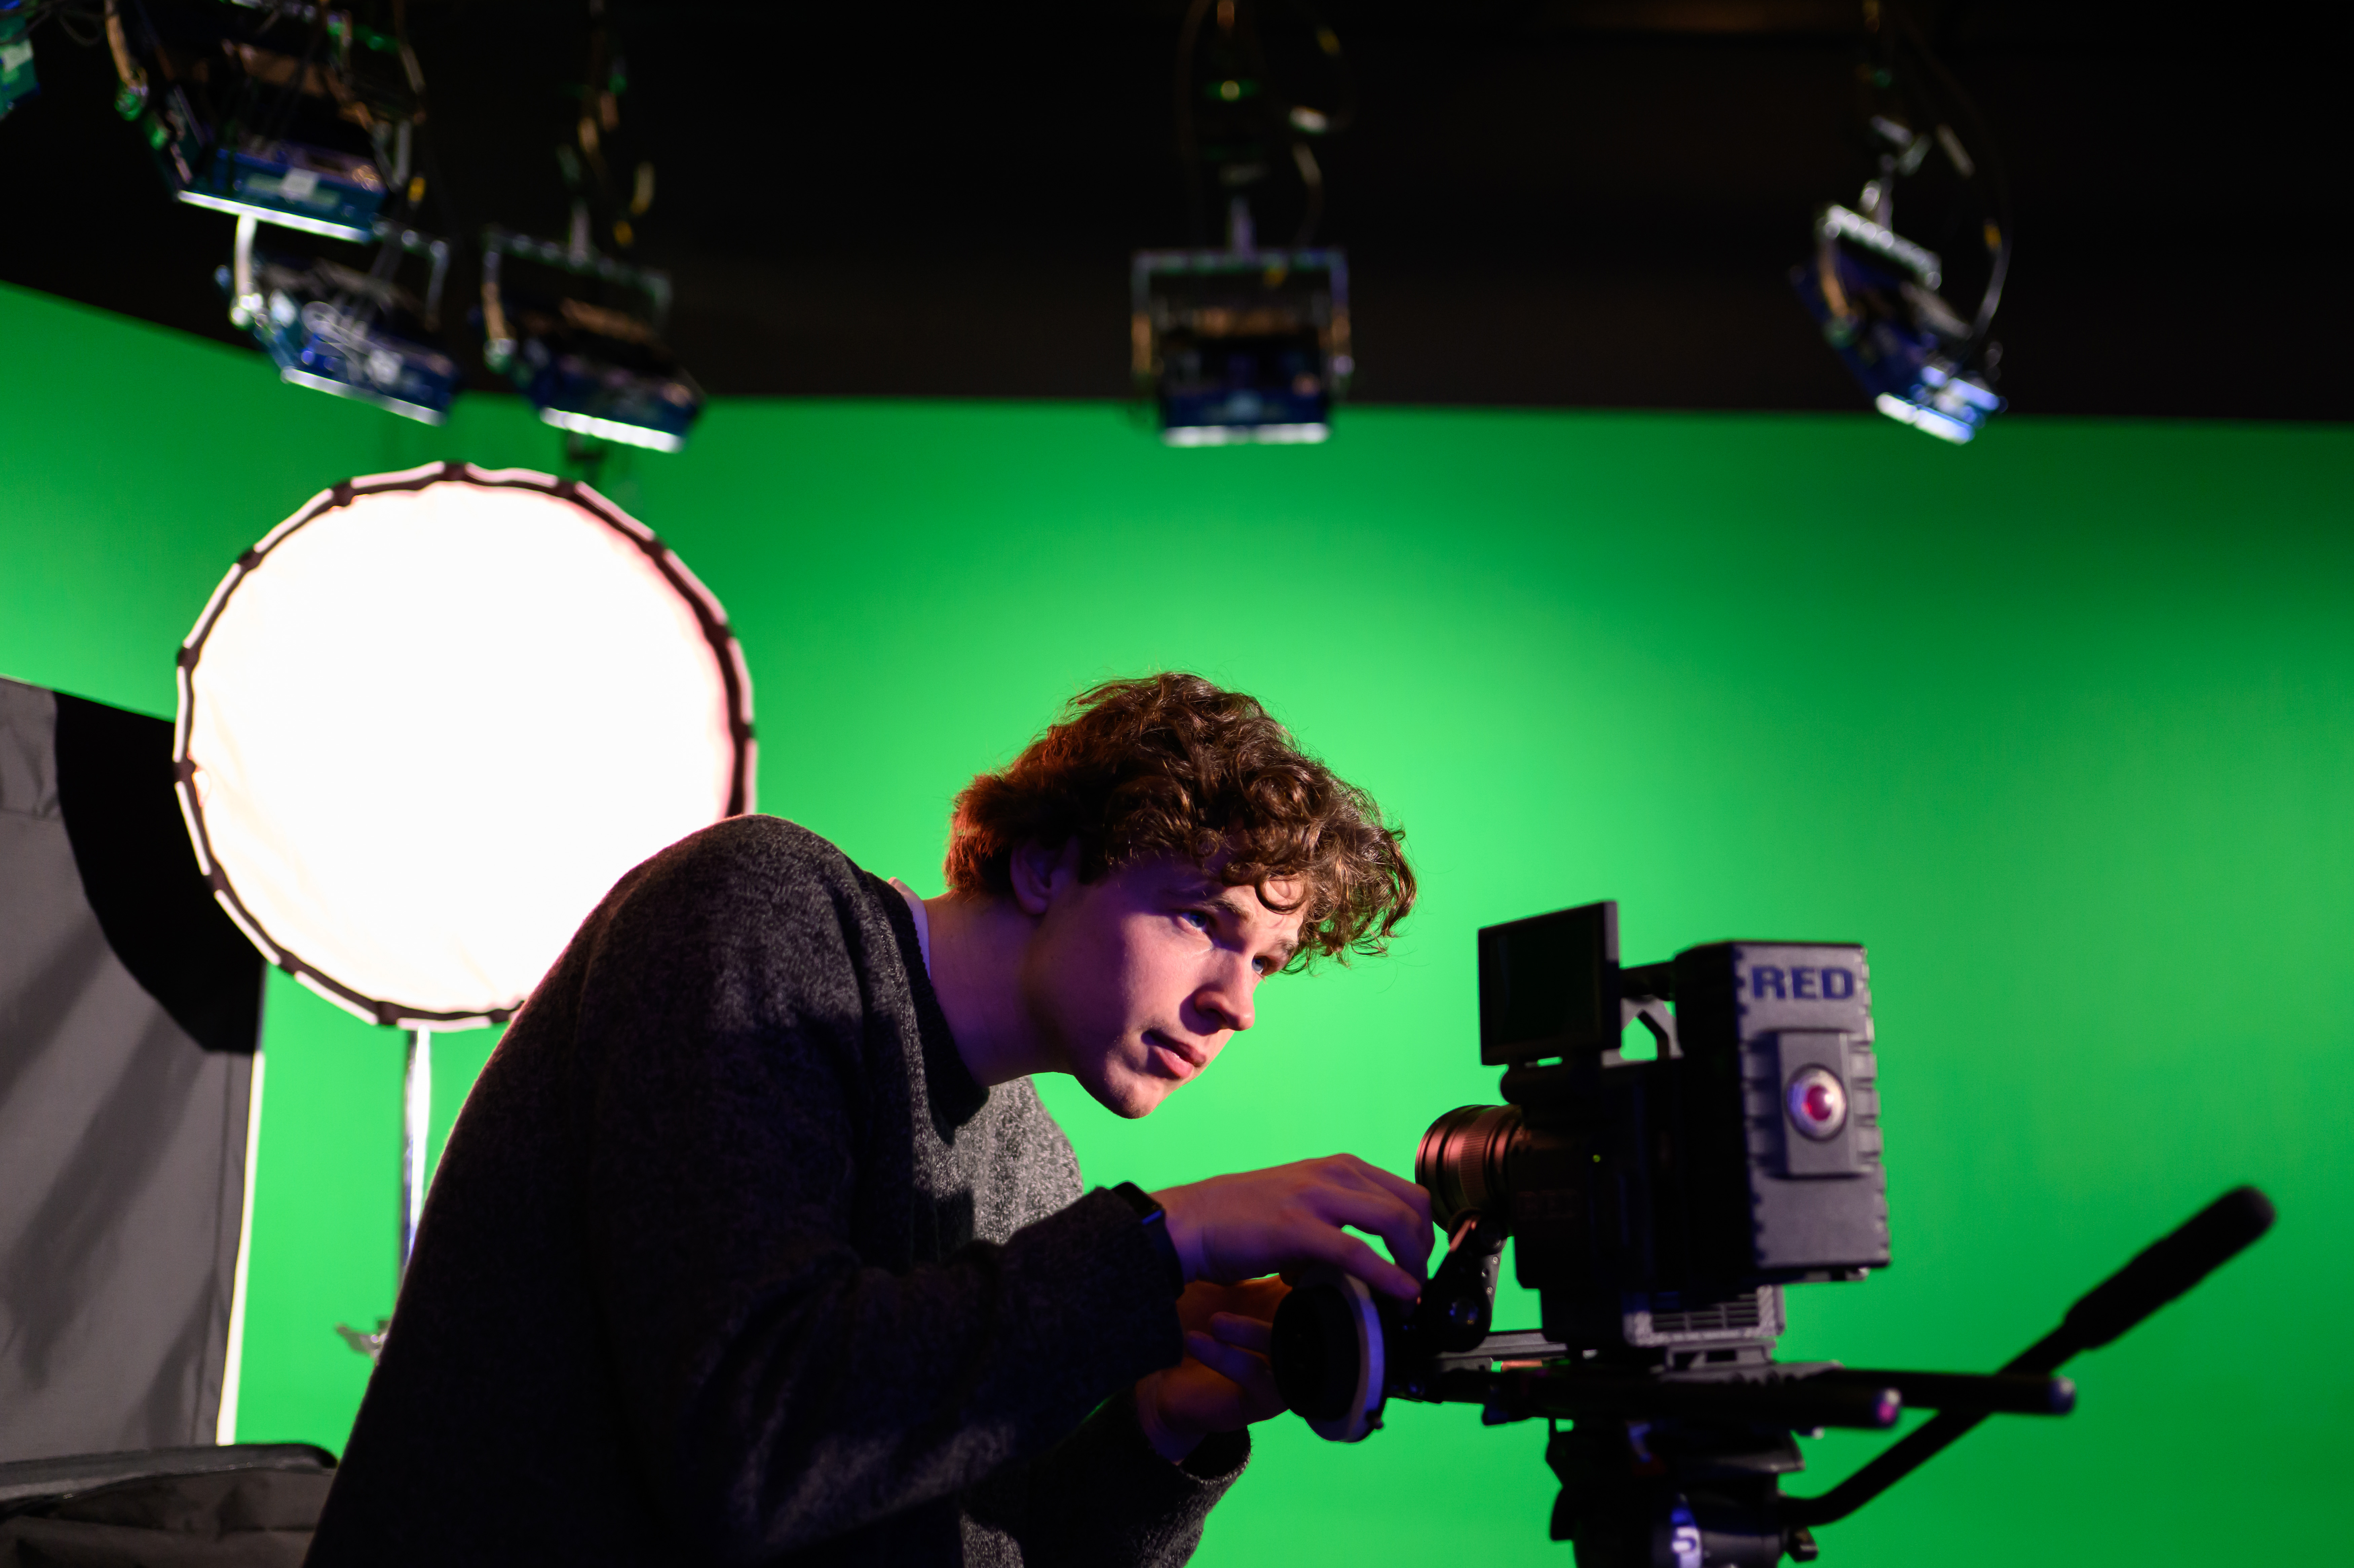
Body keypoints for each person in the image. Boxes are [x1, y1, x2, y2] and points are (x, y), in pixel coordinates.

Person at [303, 673, 1429, 1567]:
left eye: (1268, 965)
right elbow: (753, 1449)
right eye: (1201, 920)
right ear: (1043, 864)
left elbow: (999, 1541)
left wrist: (1164, 1431)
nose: (1236, 1003)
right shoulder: (762, 911)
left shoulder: (1037, 1165)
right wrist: (1162, 1243)